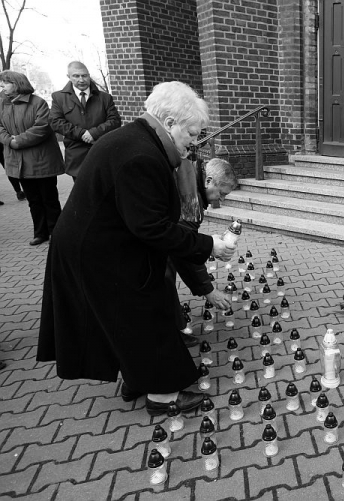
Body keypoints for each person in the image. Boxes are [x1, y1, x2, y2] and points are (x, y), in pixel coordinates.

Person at [38, 81, 236, 416]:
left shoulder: (137, 140)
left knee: (126, 317)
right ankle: (162, 396)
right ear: (170, 123)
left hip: (102, 246)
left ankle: (137, 377)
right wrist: (210, 245)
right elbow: (151, 227)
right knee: (145, 312)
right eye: (191, 133)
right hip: (97, 253)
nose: (193, 142)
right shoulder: (141, 155)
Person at [170, 157, 238, 348]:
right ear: (208, 181)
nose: (221, 200)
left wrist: (209, 244)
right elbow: (185, 251)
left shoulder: (188, 176)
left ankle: (172, 330)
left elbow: (187, 240)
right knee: (162, 279)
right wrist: (209, 291)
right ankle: (167, 337)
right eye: (221, 193)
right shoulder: (191, 198)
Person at [0, 71, 64, 245]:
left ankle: (56, 233)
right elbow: (0, 128)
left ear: (16, 83)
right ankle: (40, 233)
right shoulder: (3, 104)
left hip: (42, 162)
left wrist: (17, 141)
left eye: (5, 83)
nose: (2, 86)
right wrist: (8, 141)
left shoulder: (38, 103)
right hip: (19, 163)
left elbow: (42, 128)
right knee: (33, 201)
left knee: (49, 199)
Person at [50, 61, 121, 180]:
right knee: (83, 196)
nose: (81, 80)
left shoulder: (105, 98)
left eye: (84, 75)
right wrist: (82, 134)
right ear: (69, 77)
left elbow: (115, 121)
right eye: (76, 76)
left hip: (102, 152)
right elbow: (56, 122)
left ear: (89, 75)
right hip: (77, 156)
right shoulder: (59, 98)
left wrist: (94, 133)